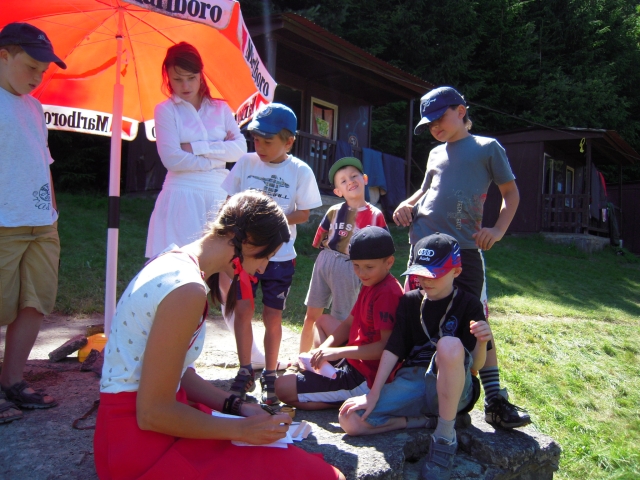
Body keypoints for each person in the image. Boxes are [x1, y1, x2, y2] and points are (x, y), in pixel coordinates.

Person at [94, 191, 344, 480]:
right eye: (266, 256)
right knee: (324, 476)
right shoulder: (186, 290)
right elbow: (152, 413)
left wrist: (238, 407)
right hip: (142, 445)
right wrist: (242, 430)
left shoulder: (174, 262)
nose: (264, 268)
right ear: (246, 241)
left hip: (128, 435)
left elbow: (176, 374)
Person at [392, 86, 530, 429]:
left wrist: (497, 230)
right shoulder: (434, 153)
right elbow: (425, 190)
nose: (435, 127)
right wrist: (407, 203)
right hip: (423, 248)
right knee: (420, 315)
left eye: (440, 118)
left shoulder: (487, 148)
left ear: (461, 111)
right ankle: (418, 386)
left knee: (475, 321)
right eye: (429, 123)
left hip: (463, 251)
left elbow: (511, 193)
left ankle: (495, 400)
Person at [339, 233, 492, 480]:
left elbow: (476, 366)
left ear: (456, 271)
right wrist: (373, 394)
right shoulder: (410, 301)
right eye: (420, 273)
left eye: (434, 274)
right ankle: (428, 421)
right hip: (413, 382)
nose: (425, 280)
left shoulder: (469, 304)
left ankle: (444, 437)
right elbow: (393, 348)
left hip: (454, 388)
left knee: (449, 344)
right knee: (350, 420)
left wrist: (482, 342)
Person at [221, 103, 322, 405]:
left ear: (289, 142)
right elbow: (229, 202)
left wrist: (269, 222)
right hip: (246, 257)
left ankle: (269, 373)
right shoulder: (245, 163)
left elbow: (304, 214)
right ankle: (244, 370)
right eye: (256, 140)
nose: (260, 147)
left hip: (280, 258)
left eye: (267, 141)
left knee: (272, 316)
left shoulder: (300, 170)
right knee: (242, 310)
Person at [0, 23, 66, 424]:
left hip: (42, 223)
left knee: (35, 303)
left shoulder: (34, 108)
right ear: (4, 55)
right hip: (4, 222)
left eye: (43, 71)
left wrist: (52, 212)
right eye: (30, 67)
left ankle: (12, 381)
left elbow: (44, 162)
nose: (37, 78)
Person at [275, 226, 403, 410]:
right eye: (356, 266)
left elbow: (385, 348)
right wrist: (324, 350)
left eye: (369, 267)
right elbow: (349, 323)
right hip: (354, 360)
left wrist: (337, 353)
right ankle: (327, 377)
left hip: (365, 378)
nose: (361, 273)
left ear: (389, 262)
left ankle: (342, 399)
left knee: (281, 387)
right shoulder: (371, 282)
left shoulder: (388, 293)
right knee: (323, 320)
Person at [145, 42, 247, 258]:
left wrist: (196, 147)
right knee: (175, 261)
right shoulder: (165, 110)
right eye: (177, 79)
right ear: (167, 77)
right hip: (181, 194)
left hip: (218, 194)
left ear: (201, 75)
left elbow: (240, 148)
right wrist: (217, 159)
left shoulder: (220, 108)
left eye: (191, 77)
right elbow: (172, 159)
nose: (185, 85)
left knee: (218, 265)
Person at [298, 157, 388, 354]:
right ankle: (302, 357)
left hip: (350, 267)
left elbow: (383, 246)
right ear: (338, 191)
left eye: (354, 176)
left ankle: (336, 360)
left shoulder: (376, 215)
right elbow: (320, 237)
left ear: (365, 179)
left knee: (342, 318)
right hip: (325, 261)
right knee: (311, 315)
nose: (350, 182)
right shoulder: (333, 211)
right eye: (343, 180)